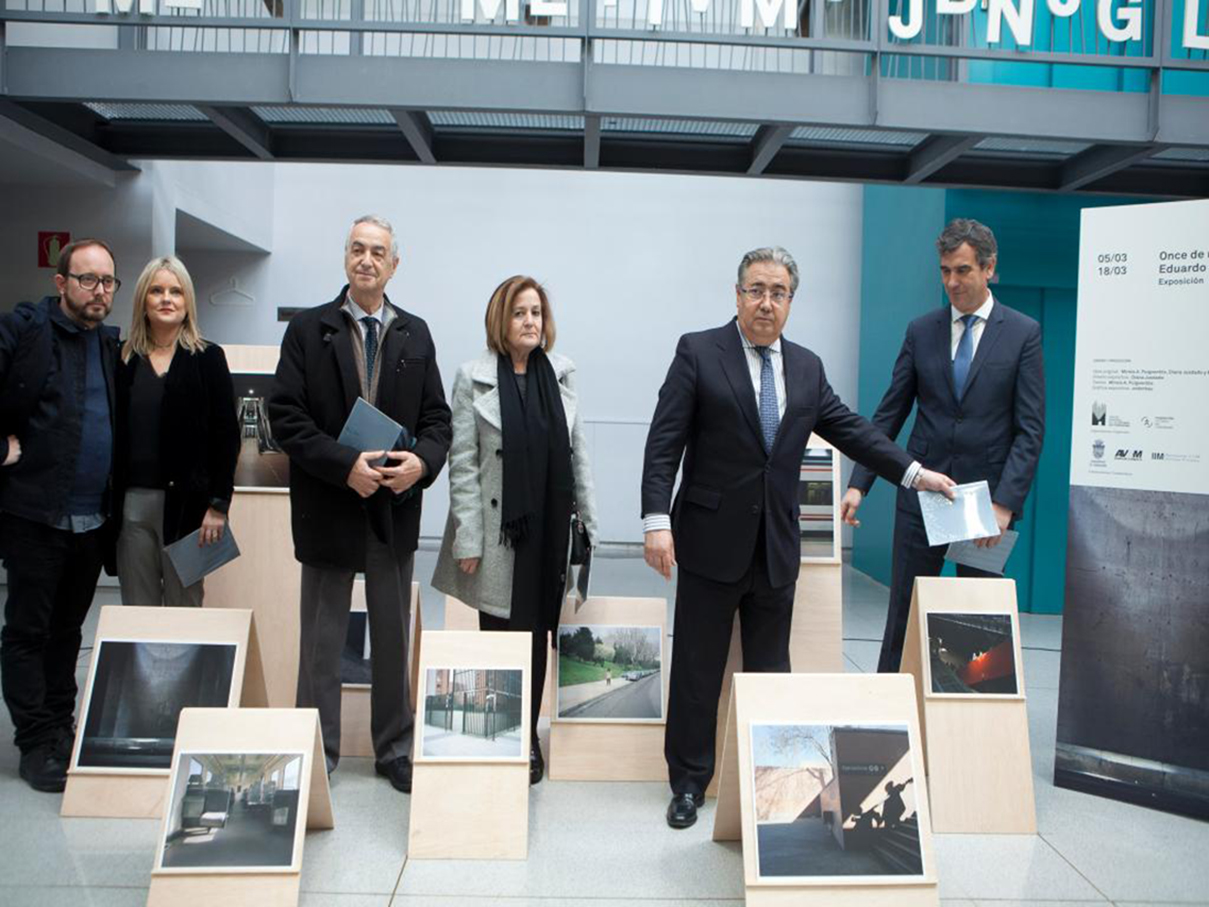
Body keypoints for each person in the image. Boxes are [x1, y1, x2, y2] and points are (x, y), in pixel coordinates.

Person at [642, 246, 956, 829]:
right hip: (708, 542)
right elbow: (664, 443)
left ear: (791, 300)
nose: (766, 302)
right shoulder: (698, 352)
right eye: (756, 289)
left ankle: (773, 784)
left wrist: (915, 474)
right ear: (737, 296)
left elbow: (856, 432)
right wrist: (656, 521)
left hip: (776, 547)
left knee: (770, 675)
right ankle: (688, 783)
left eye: (778, 292)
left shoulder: (807, 367)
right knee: (696, 671)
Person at [269, 215, 451, 792]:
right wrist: (344, 466)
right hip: (329, 503)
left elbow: (437, 420)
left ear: (394, 264)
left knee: (393, 634)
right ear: (345, 258)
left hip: (392, 510)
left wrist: (422, 464)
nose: (366, 260)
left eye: (378, 252)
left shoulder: (415, 334)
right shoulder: (307, 330)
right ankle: (317, 748)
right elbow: (287, 419)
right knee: (322, 638)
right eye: (357, 249)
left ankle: (394, 747)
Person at [841, 219, 1045, 674]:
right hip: (922, 498)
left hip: (985, 509)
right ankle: (889, 710)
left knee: (975, 624)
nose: (952, 281)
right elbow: (889, 414)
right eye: (945, 271)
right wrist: (860, 484)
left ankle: (966, 726)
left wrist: (1005, 505)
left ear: (989, 269)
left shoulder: (1022, 334)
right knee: (903, 614)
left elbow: (1030, 430)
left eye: (963, 270)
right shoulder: (921, 331)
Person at [432, 276, 598, 785]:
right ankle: (501, 734)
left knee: (538, 636)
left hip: (549, 529)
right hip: (500, 533)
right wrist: (468, 538)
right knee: (500, 637)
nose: (531, 322)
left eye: (537, 314)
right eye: (520, 313)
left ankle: (526, 738)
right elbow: (463, 462)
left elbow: (578, 455)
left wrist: (588, 523)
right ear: (501, 321)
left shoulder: (562, 375)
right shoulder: (473, 376)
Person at [0, 239, 122, 792]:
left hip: (90, 522)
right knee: (28, 631)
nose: (98, 291)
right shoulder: (25, 332)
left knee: (68, 632)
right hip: (34, 516)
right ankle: (36, 743)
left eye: (107, 282)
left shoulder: (107, 345)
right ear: (61, 283)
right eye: (87, 280)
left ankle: (61, 728)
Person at [113, 256, 240, 607]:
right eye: (156, 290)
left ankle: (180, 666)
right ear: (143, 300)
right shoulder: (122, 359)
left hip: (191, 506)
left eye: (175, 291)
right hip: (133, 505)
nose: (166, 298)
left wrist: (219, 505)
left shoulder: (208, 358)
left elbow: (226, 437)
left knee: (185, 604)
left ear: (188, 302)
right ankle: (142, 666)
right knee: (138, 606)